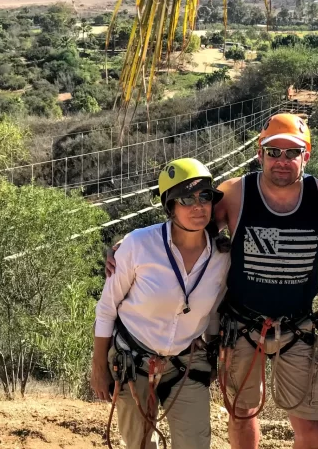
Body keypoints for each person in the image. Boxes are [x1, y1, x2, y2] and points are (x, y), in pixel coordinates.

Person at [107, 113, 318, 449]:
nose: (281, 161)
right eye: (273, 152)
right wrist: (133, 241)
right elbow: (189, 221)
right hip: (241, 326)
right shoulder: (238, 193)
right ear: (260, 153)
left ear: (306, 156)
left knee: (311, 429)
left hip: (296, 326)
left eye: (292, 153)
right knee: (242, 416)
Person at [91, 158, 230, 449]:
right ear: (170, 207)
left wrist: (215, 349)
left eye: (205, 196)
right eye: (186, 199)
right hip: (133, 359)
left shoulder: (222, 256)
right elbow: (106, 309)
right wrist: (99, 368)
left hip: (185, 361)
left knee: (195, 444)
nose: (198, 205)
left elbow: (215, 309)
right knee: (138, 444)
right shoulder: (138, 245)